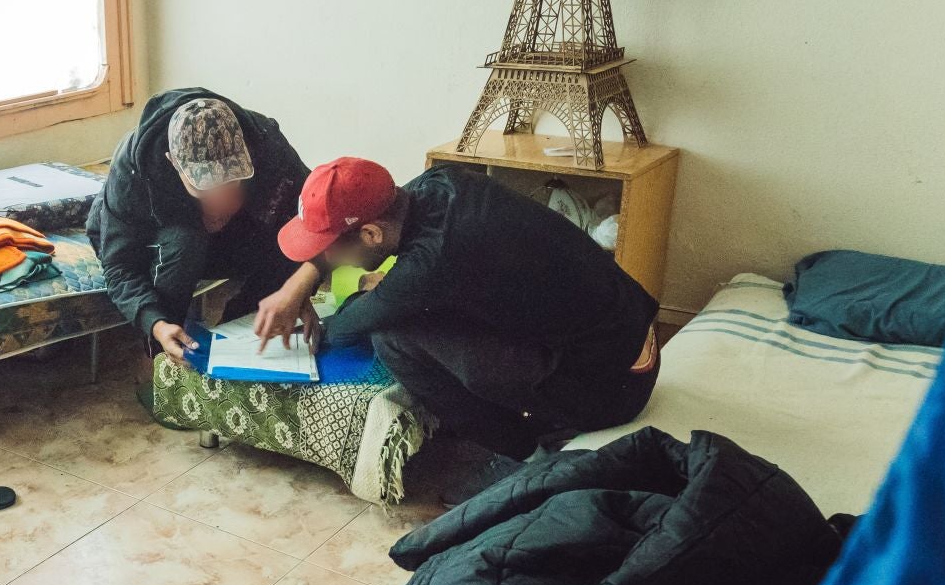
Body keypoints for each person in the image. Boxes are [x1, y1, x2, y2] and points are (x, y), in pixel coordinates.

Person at [270, 156, 660, 457]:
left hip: (614, 389)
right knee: (422, 310)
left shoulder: (436, 260)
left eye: (331, 252)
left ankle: (525, 457)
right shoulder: (440, 183)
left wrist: (359, 299)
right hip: (627, 338)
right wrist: (299, 285)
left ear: (371, 233)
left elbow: (345, 328)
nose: (332, 260)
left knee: (394, 337)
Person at [86, 89, 319, 362]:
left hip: (228, 238)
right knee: (185, 243)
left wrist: (300, 286)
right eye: (206, 190)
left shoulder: (267, 145)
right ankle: (164, 358)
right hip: (157, 244)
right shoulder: (133, 175)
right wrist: (156, 323)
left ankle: (239, 332)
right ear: (174, 164)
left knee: (290, 238)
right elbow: (120, 267)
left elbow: (318, 219)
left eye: (231, 186)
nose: (220, 202)